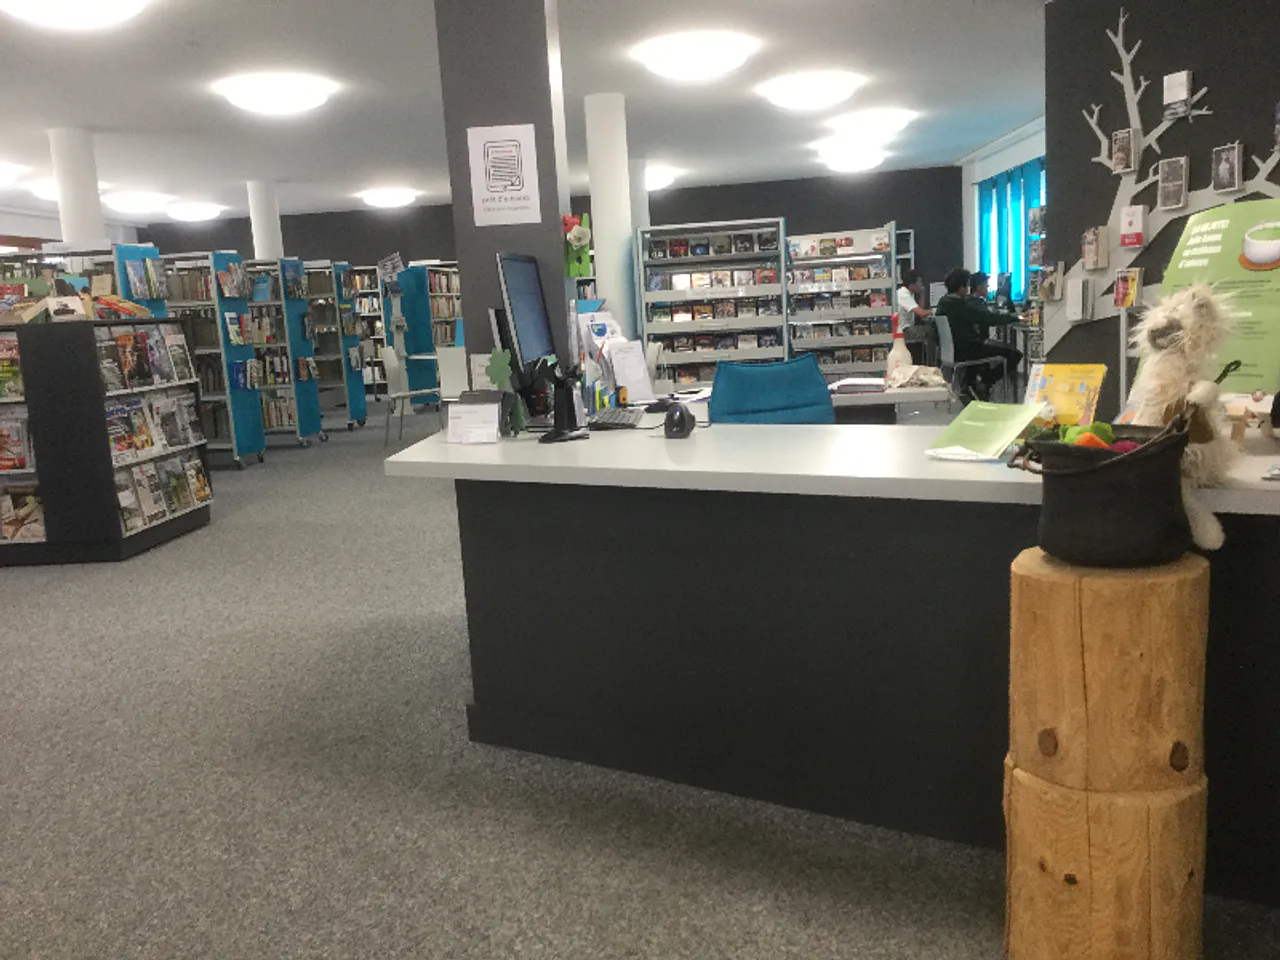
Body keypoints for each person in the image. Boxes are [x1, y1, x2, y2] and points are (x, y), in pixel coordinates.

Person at [935, 268, 1022, 402]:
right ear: (961, 287)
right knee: (1014, 354)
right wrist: (1017, 317)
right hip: (967, 350)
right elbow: (986, 317)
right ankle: (985, 381)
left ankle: (970, 386)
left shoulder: (943, 303)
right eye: (967, 285)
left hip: (953, 352)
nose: (968, 289)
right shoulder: (959, 304)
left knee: (983, 348)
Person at [896, 268, 933, 364]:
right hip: (904, 331)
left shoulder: (908, 293)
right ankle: (930, 363)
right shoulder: (903, 294)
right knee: (931, 332)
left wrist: (922, 294)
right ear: (912, 284)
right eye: (919, 282)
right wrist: (933, 311)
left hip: (907, 329)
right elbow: (921, 313)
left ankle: (927, 361)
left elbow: (920, 311)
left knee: (929, 331)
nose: (921, 285)